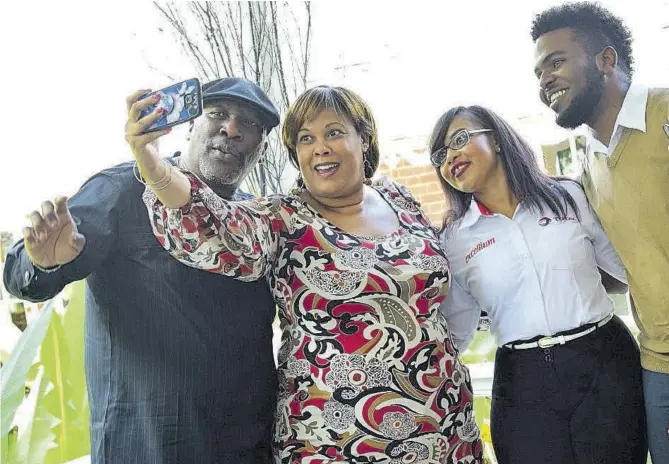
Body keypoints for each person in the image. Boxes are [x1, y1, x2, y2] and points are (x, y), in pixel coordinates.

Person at [128, 84, 484, 463]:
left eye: (333, 133)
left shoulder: (401, 200)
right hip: (333, 443)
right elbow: (212, 226)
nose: (320, 147)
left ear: (363, 139)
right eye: (305, 138)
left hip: (446, 428)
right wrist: (151, 160)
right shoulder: (283, 218)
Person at [3, 77, 280, 464]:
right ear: (191, 124)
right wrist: (44, 261)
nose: (231, 129)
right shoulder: (125, 189)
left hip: (247, 447)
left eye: (249, 124)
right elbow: (23, 274)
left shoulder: (261, 221)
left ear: (262, 148)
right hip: (147, 446)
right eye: (217, 114)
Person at [531, 3, 669, 462]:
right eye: (538, 71)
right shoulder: (588, 160)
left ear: (606, 60)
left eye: (556, 61)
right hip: (661, 367)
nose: (544, 80)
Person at [431, 104, 646, 463]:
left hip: (604, 365)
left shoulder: (568, 196)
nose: (451, 156)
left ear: (496, 140)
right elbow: (455, 333)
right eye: (441, 154)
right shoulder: (455, 240)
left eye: (461, 139)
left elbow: (627, 273)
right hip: (523, 382)